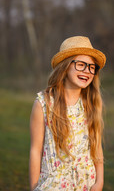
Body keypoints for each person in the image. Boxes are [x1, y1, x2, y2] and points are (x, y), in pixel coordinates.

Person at [29, 36, 106, 191]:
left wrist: (99, 182)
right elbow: (35, 150)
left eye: (92, 67)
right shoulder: (44, 104)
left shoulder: (90, 104)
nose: (87, 71)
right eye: (81, 64)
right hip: (54, 184)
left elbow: (97, 148)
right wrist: (34, 186)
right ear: (65, 66)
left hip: (86, 183)